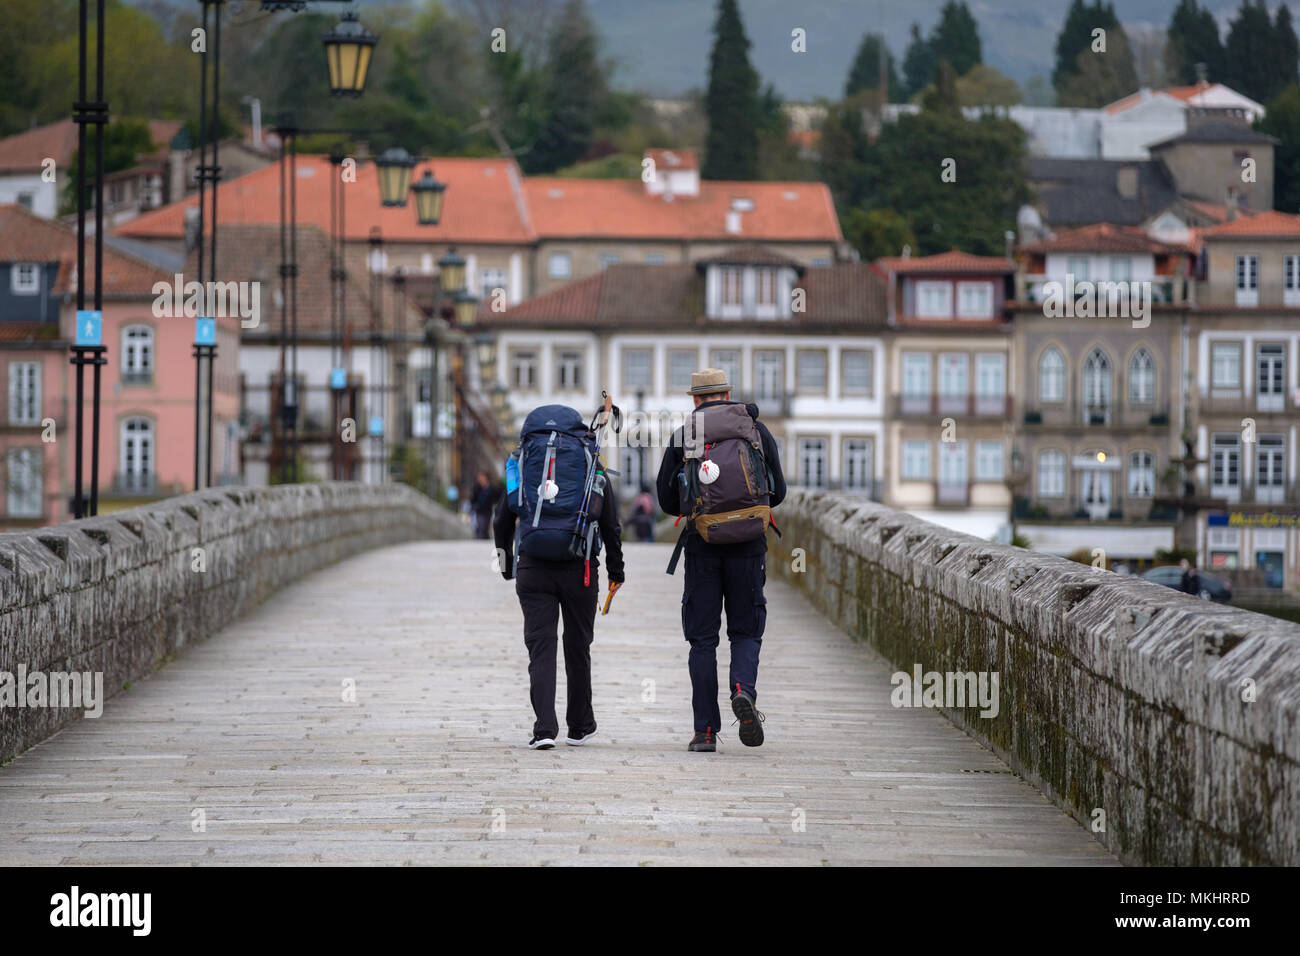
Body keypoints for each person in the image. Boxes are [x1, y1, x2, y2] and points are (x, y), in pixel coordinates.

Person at [656, 368, 786, 753]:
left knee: (703, 641)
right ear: (727, 393)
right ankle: (743, 689)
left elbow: (665, 501)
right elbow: (777, 491)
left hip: (703, 548)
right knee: (746, 631)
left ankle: (706, 732)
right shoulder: (756, 431)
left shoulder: (685, 436)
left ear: (695, 399)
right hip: (749, 548)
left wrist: (700, 505)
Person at [494, 404, 625, 750]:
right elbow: (611, 523)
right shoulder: (589, 459)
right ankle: (580, 726)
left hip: (533, 565)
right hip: (579, 565)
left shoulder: (521, 461)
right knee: (577, 646)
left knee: (541, 647)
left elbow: (502, 518)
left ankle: (544, 729)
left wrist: (506, 564)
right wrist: (616, 570)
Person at [470, 470, 500, 540]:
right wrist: (474, 506)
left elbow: (496, 498)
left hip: (487, 511)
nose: (480, 479)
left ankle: (484, 538)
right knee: (480, 526)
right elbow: (472, 499)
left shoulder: (491, 488)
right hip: (479, 511)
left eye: (482, 477)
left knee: (485, 526)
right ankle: (481, 538)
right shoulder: (477, 488)